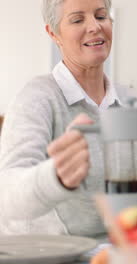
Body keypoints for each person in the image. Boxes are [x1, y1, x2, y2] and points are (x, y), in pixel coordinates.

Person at [0, 0, 128, 236]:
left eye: (101, 16)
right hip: (46, 254)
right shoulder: (36, 97)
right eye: (78, 20)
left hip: (111, 251)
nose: (94, 27)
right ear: (53, 33)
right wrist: (56, 177)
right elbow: (6, 194)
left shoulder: (128, 101)